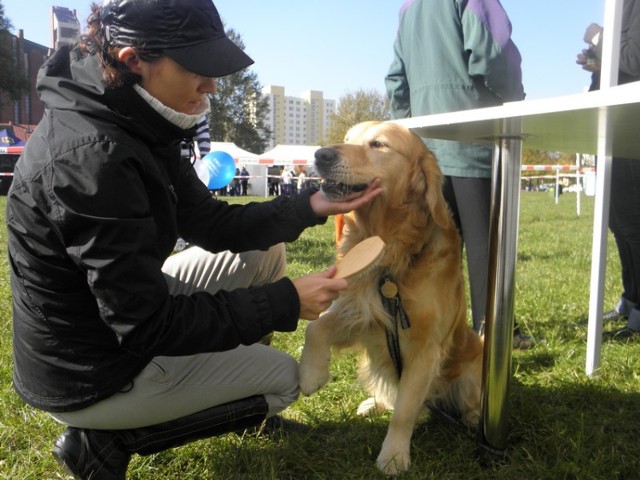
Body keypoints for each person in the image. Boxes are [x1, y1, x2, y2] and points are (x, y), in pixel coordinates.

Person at [4, 1, 382, 479]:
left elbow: (210, 222)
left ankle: (223, 387)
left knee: (265, 254)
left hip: (109, 322)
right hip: (91, 373)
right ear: (132, 59)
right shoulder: (94, 158)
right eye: (196, 67)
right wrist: (285, 302)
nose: (211, 84)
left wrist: (308, 206)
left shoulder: (134, 113)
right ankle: (105, 441)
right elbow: (146, 327)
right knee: (283, 379)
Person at [385, 0, 532, 348]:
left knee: (432, 252)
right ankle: (494, 335)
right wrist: (516, 99)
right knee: (487, 249)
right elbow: (493, 52)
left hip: (427, 152)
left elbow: (396, 79)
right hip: (475, 142)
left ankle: (427, 330)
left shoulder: (408, 7)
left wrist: (412, 136)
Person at [577, 0, 640, 340]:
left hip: (632, 122)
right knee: (617, 221)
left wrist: (600, 38)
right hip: (612, 119)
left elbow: (633, 60)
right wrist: (597, 65)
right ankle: (631, 300)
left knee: (632, 223)